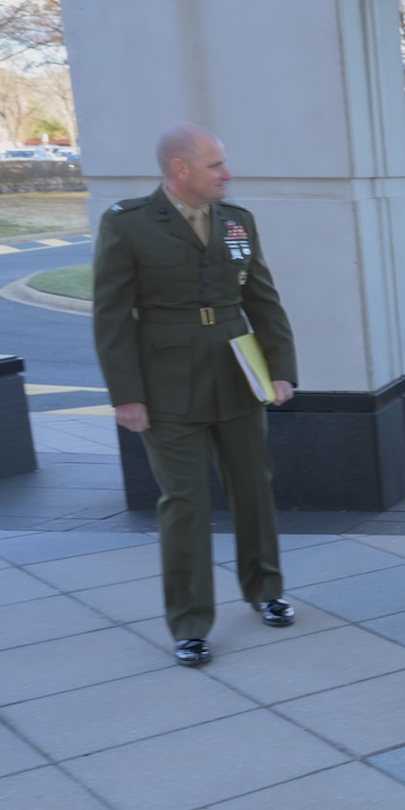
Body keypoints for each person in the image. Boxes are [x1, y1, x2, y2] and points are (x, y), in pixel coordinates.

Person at [92, 123, 298, 668]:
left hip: (236, 374)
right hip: (166, 387)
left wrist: (280, 370)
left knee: (254, 488)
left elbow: (264, 300)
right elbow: (110, 316)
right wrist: (126, 396)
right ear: (179, 170)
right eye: (214, 166)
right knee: (184, 505)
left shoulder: (237, 222)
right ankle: (189, 623)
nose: (226, 174)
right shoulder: (129, 225)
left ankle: (265, 590)